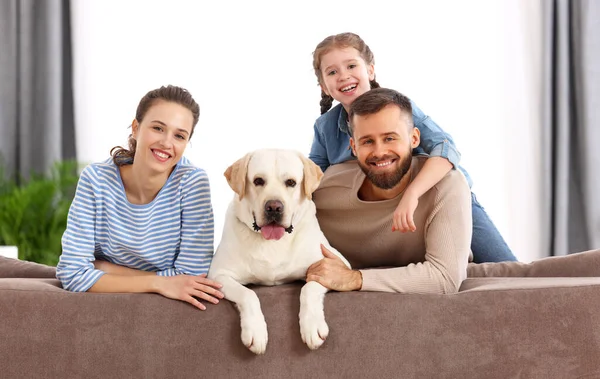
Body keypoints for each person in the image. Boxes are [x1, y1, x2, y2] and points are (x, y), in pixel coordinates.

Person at [309, 32, 515, 263]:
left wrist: (413, 193)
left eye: (351, 66)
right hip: (383, 219)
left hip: (438, 200)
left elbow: (445, 147)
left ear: (370, 70)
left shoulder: (398, 107)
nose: (344, 76)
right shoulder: (325, 127)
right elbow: (312, 180)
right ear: (324, 86)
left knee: (505, 267)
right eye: (333, 72)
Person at [56, 85, 223, 310]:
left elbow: (191, 277)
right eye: (157, 128)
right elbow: (72, 273)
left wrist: (104, 268)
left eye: (179, 135)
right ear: (136, 128)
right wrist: (159, 282)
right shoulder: (96, 180)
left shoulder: (192, 183)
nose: (166, 143)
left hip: (165, 314)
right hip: (102, 309)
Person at [307, 88, 472, 293]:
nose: (379, 152)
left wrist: (355, 278)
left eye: (390, 138)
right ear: (354, 147)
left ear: (414, 139)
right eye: (367, 141)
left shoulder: (445, 185)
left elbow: (445, 278)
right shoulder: (325, 190)